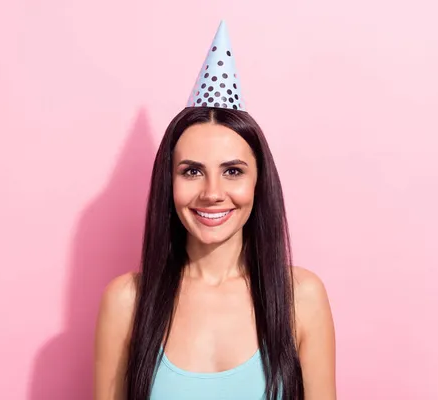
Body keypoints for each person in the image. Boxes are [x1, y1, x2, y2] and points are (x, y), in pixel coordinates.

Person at [94, 20, 336, 400]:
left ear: (258, 182)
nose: (212, 193)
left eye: (232, 171)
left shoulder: (300, 297)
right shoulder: (127, 302)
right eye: (192, 171)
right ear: (168, 183)